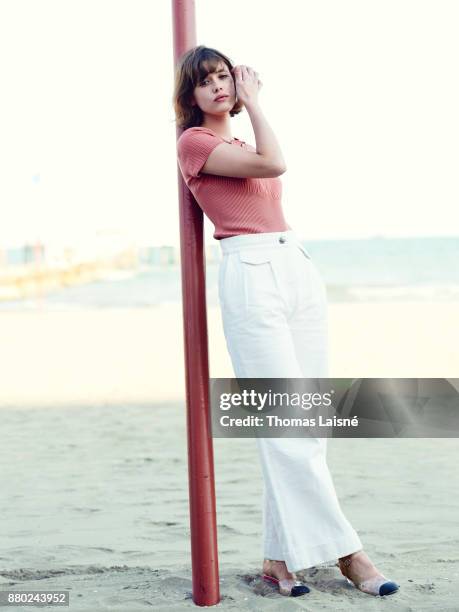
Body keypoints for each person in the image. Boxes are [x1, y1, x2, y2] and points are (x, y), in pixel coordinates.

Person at [173, 45, 399, 599]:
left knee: (306, 421)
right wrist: (253, 101)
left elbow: (267, 171)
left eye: (225, 76)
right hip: (250, 271)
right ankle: (350, 554)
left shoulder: (239, 142)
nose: (219, 87)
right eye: (207, 82)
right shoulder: (196, 142)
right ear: (191, 95)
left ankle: (278, 560)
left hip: (293, 263)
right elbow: (276, 164)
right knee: (286, 423)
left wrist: (250, 113)